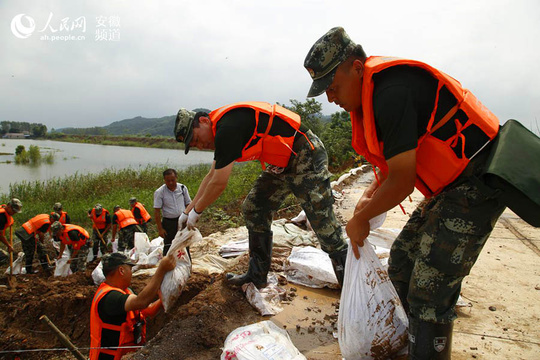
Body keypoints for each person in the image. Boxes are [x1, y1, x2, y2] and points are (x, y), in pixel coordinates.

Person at [304, 27, 506, 358]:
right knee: (401, 260)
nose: (331, 97)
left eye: (332, 86)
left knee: (429, 288)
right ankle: (398, 345)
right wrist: (366, 202)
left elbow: (402, 180)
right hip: (451, 184)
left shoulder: (391, 93)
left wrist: (362, 219)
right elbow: (389, 169)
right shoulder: (373, 93)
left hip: (477, 181)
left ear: (356, 67)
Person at [174, 102, 348, 287]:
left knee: (322, 223)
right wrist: (187, 211)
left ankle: (349, 285)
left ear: (203, 121)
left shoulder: (227, 127)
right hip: (282, 163)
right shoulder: (221, 132)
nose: (200, 146)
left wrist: (197, 212)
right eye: (194, 145)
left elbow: (218, 183)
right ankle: (257, 275)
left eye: (196, 139)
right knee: (254, 207)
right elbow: (211, 176)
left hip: (304, 152)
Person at [89, 252, 176, 360]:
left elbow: (148, 310)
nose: (131, 273)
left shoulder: (125, 291)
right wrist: (161, 270)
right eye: (130, 269)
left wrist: (165, 298)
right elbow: (141, 302)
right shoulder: (109, 297)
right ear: (121, 270)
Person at [153, 168, 191, 255]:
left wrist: (189, 219)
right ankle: (167, 266)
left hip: (182, 220)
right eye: (168, 181)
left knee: (185, 244)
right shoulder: (160, 192)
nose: (170, 183)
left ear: (176, 178)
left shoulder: (182, 188)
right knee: (169, 246)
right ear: (164, 180)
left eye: (172, 180)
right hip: (169, 223)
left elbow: (188, 204)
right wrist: (160, 229)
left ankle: (187, 265)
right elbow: (157, 211)